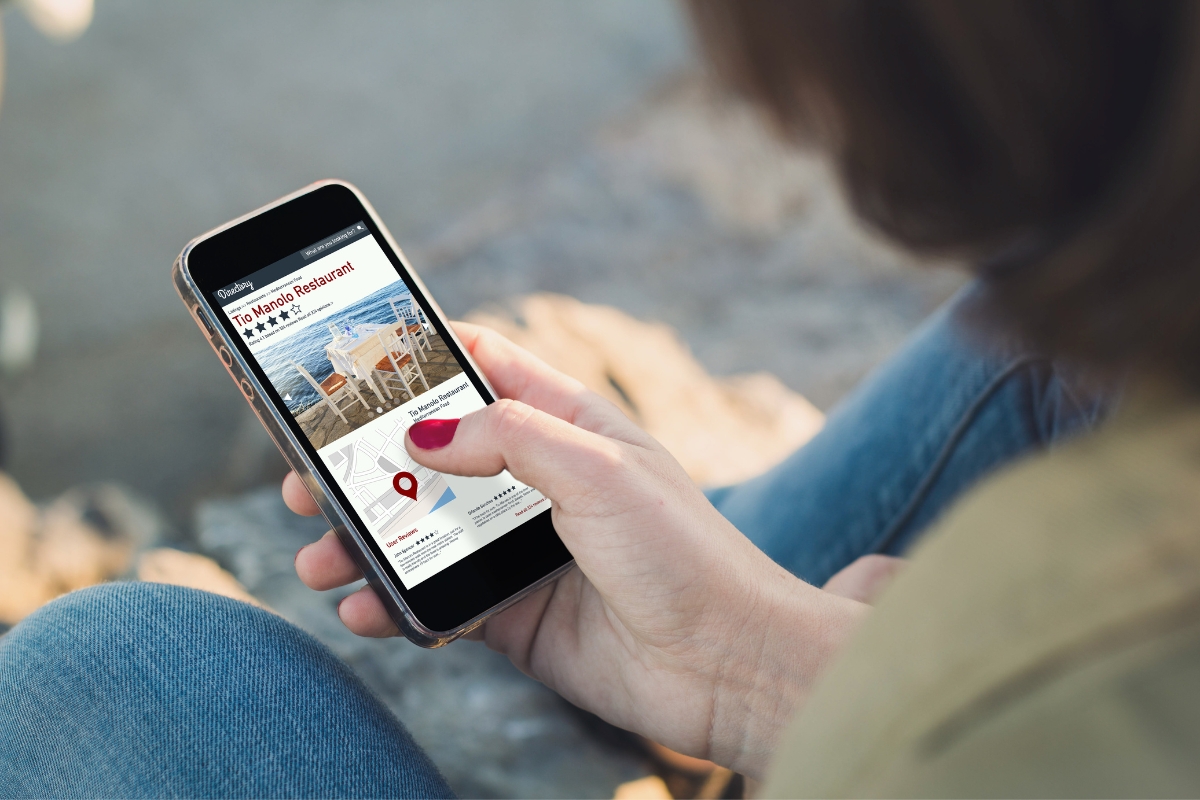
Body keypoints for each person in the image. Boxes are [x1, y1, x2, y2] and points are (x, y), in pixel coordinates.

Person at [5, 0, 1197, 796]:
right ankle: (713, 562)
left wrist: (878, 706)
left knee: (110, 660)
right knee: (1042, 332)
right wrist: (768, 668)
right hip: (817, 673)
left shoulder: (1027, 718)